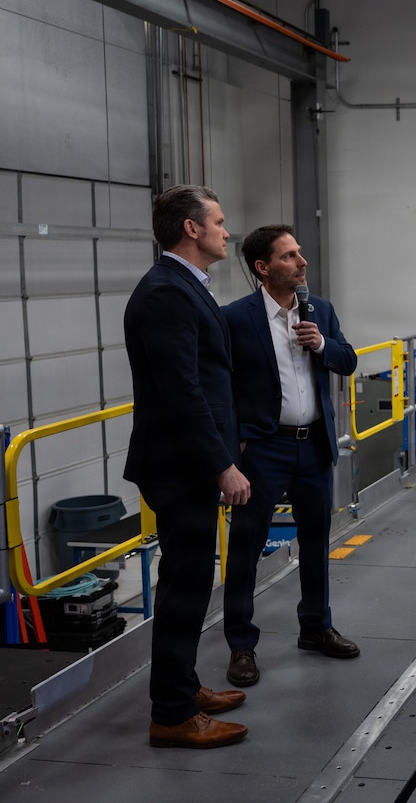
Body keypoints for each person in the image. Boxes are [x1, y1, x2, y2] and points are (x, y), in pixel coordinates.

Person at [123, 184, 251, 749]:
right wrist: (221, 463)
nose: (227, 231)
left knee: (193, 582)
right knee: (183, 586)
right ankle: (172, 715)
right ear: (192, 229)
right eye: (218, 222)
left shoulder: (185, 286)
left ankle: (184, 685)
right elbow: (182, 391)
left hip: (188, 461)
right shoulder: (165, 293)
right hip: (180, 466)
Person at [222, 224, 359, 688]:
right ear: (263, 268)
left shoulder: (320, 309)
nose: (302, 262)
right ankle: (241, 645)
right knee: (246, 546)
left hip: (314, 443)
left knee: (317, 540)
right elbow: (221, 387)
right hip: (263, 448)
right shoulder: (235, 319)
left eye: (299, 253)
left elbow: (348, 359)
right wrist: (235, 445)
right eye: (289, 256)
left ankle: (316, 627)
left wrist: (322, 344)